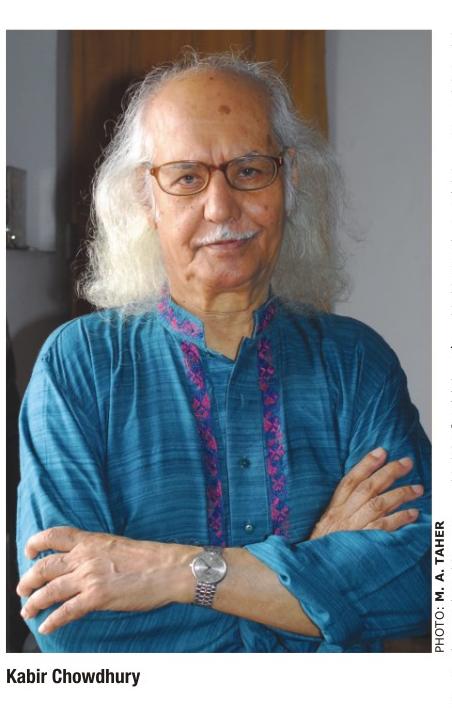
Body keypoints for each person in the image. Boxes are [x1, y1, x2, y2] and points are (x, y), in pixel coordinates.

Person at [16, 51, 431, 653]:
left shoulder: (356, 362)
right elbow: (71, 624)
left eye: (249, 170)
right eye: (187, 177)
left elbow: (423, 583)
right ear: (146, 199)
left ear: (288, 180)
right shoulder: (77, 366)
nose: (220, 206)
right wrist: (317, 570)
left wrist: (173, 573)